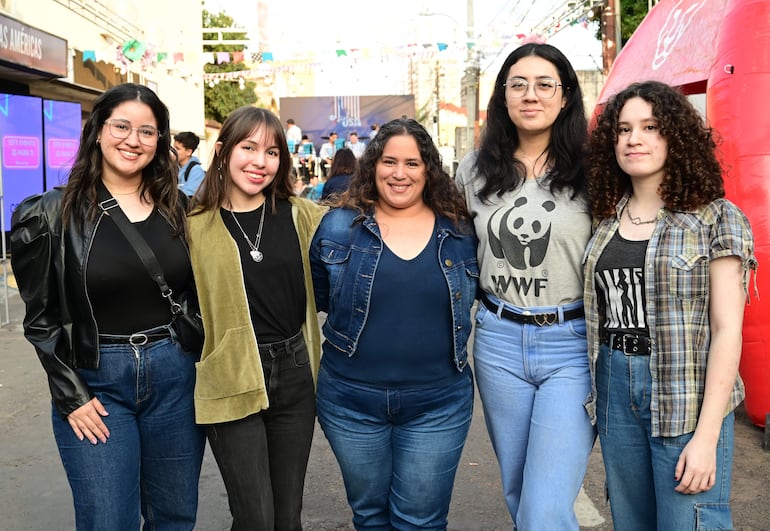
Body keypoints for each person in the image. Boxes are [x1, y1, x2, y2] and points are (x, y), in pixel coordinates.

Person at [9, 83, 205, 530]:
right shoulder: (49, 215)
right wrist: (71, 395)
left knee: (174, 517)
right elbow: (41, 319)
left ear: (160, 142)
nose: (132, 140)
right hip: (97, 381)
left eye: (147, 131)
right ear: (98, 130)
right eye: (121, 126)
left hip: (176, 375)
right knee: (107, 520)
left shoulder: (181, 209)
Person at [584, 80, 757, 531]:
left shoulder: (716, 217)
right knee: (630, 520)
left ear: (675, 136)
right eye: (623, 129)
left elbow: (727, 330)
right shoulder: (603, 219)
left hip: (685, 396)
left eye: (650, 126)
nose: (633, 139)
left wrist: (707, 435)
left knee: (690, 521)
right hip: (615, 388)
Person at [310, 118, 479, 529]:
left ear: (428, 170)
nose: (399, 173)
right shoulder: (337, 228)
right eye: (389, 161)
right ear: (373, 166)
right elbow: (317, 298)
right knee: (369, 517)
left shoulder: (459, 231)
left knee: (419, 521)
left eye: (412, 163)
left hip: (437, 404)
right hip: (350, 402)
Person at [454, 42, 594, 529]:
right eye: (518, 84)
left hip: (571, 345)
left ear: (565, 96)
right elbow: (448, 248)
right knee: (517, 491)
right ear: (503, 97)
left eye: (543, 84)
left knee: (544, 509)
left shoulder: (595, 170)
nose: (530, 95)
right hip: (497, 341)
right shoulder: (473, 172)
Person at [187, 105, 326, 530]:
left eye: (272, 152)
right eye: (248, 148)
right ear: (224, 150)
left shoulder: (303, 216)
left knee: (287, 516)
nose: (259, 162)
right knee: (255, 517)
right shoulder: (193, 226)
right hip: (231, 375)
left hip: (296, 372)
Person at [174, 131, 205, 196]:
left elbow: (189, 196)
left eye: (178, 149)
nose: (173, 151)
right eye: (174, 147)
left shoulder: (196, 171)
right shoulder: (174, 167)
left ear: (188, 152)